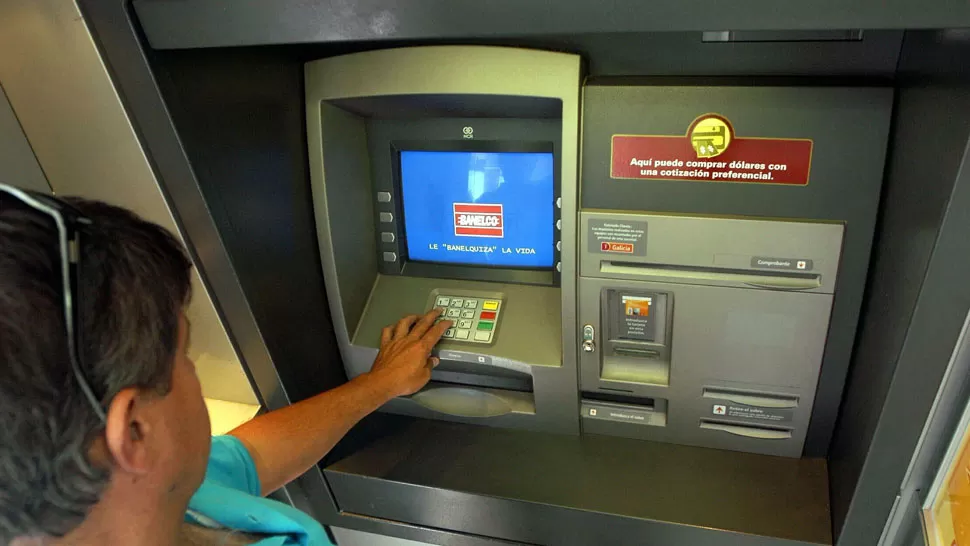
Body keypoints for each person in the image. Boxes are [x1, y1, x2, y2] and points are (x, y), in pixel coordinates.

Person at [0, 185, 452, 546]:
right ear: (134, 431)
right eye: (184, 355)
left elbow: (253, 455)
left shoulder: (141, 489)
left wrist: (380, 383)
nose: (193, 371)